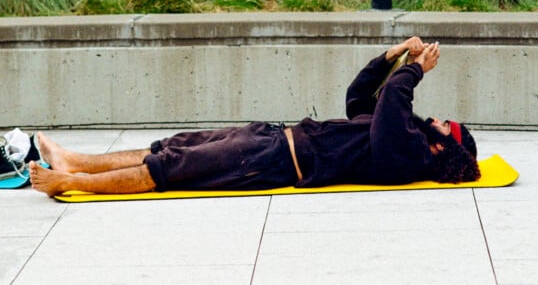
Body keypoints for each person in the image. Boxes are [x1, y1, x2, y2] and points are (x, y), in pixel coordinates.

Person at [29, 37, 480, 197]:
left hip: (273, 162)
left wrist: (415, 71)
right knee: (173, 147)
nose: (436, 119)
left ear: (445, 145)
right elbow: (360, 97)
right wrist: (394, 55)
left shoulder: (408, 157)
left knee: (171, 169)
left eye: (444, 124)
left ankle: (72, 182)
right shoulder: (402, 135)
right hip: (271, 137)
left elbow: (389, 110)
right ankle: (78, 160)